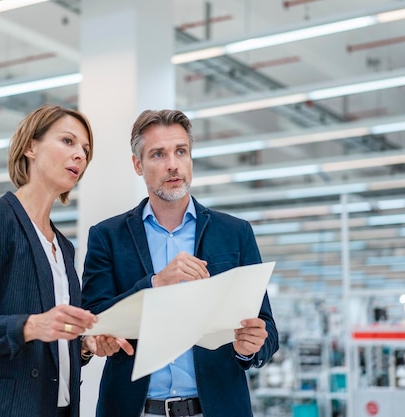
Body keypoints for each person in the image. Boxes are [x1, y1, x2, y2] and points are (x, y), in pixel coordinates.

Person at [0, 105, 131, 417]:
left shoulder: (63, 246)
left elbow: (54, 345)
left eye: (85, 149)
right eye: (68, 141)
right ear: (30, 146)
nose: (80, 154)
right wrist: (32, 325)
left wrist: (84, 345)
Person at [81, 109, 279, 417]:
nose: (173, 164)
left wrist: (251, 348)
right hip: (135, 409)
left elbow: (268, 330)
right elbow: (93, 319)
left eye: (181, 151)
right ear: (138, 165)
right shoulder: (107, 236)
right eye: (158, 154)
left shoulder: (235, 233)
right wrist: (155, 284)